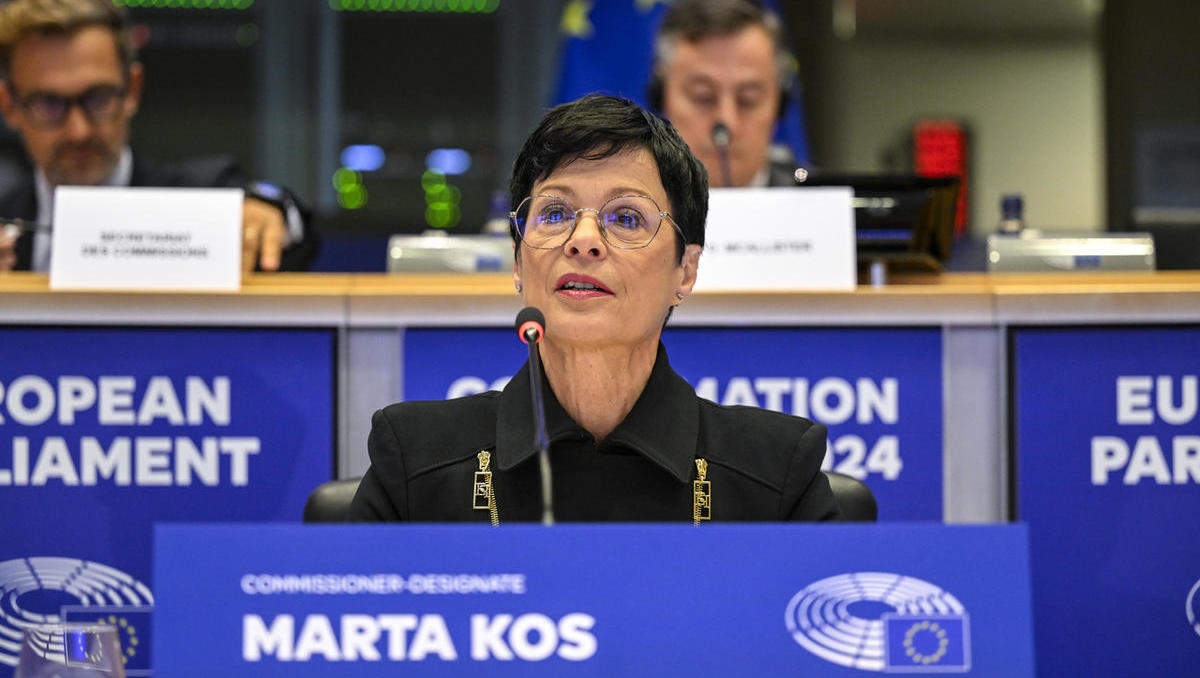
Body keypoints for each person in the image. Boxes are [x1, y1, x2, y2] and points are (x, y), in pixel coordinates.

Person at [349, 93, 840, 522]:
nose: (583, 240)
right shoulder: (415, 463)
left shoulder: (775, 476)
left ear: (685, 270)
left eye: (625, 217)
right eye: (555, 213)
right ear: (518, 261)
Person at [0, 0, 316, 273]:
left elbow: (289, 221)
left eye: (99, 99)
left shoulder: (201, 200)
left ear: (133, 91)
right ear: (9, 106)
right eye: (48, 104)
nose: (78, 131)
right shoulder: (5, 213)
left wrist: (266, 217)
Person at [649, 0, 799, 188]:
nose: (727, 122)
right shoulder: (625, 202)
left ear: (779, 104)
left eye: (747, 100)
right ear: (661, 98)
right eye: (704, 97)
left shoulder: (824, 202)